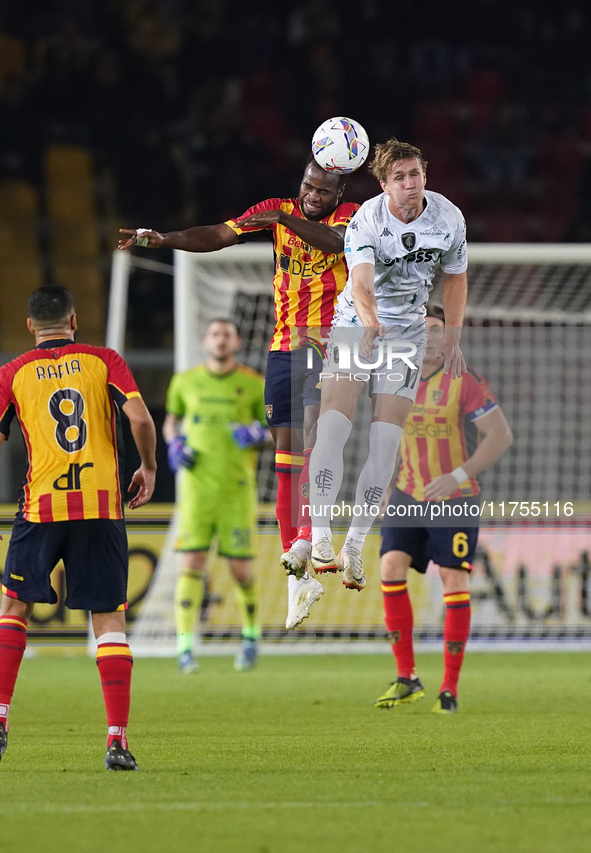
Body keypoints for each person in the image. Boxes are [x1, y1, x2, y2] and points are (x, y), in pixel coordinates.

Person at [119, 154, 360, 630]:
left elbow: (337, 243)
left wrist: (285, 218)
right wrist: (163, 239)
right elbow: (219, 235)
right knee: (285, 457)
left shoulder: (353, 216)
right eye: (307, 186)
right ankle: (299, 576)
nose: (312, 195)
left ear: (338, 193)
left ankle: (315, 534)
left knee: (316, 431)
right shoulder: (278, 207)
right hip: (283, 347)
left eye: (322, 191)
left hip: (332, 343)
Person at [0, 284, 157, 770]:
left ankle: (0, 717)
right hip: (101, 507)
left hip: (42, 507)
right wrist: (148, 467)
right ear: (74, 321)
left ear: (31, 327)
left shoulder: (12, 372)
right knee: (109, 621)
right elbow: (141, 419)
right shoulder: (103, 359)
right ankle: (117, 740)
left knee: (13, 607)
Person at [308, 139, 468, 592]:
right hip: (356, 325)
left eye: (415, 174)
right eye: (399, 177)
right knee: (334, 428)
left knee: (384, 442)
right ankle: (322, 537)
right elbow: (359, 283)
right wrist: (372, 324)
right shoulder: (366, 221)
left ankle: (354, 545)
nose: (410, 183)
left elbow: (456, 278)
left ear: (425, 175)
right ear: (384, 184)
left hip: (407, 336)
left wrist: (452, 335)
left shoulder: (448, 217)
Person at [376, 304, 513, 713]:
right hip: (406, 491)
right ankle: (407, 677)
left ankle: (449, 689)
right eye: (423, 330)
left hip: (453, 498)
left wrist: (456, 475)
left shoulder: (462, 380)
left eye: (436, 329)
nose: (429, 337)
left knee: (453, 578)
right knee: (389, 567)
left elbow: (499, 436)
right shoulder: (395, 379)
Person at [163, 319, 267, 673]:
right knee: (190, 565)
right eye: (214, 333)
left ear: (237, 341)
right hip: (196, 488)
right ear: (206, 340)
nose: (220, 340)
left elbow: (272, 429)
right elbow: (171, 420)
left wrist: (257, 433)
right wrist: (174, 443)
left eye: (226, 334)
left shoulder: (253, 385)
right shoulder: (185, 381)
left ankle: (251, 637)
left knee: (240, 570)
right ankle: (185, 647)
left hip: (236, 490)